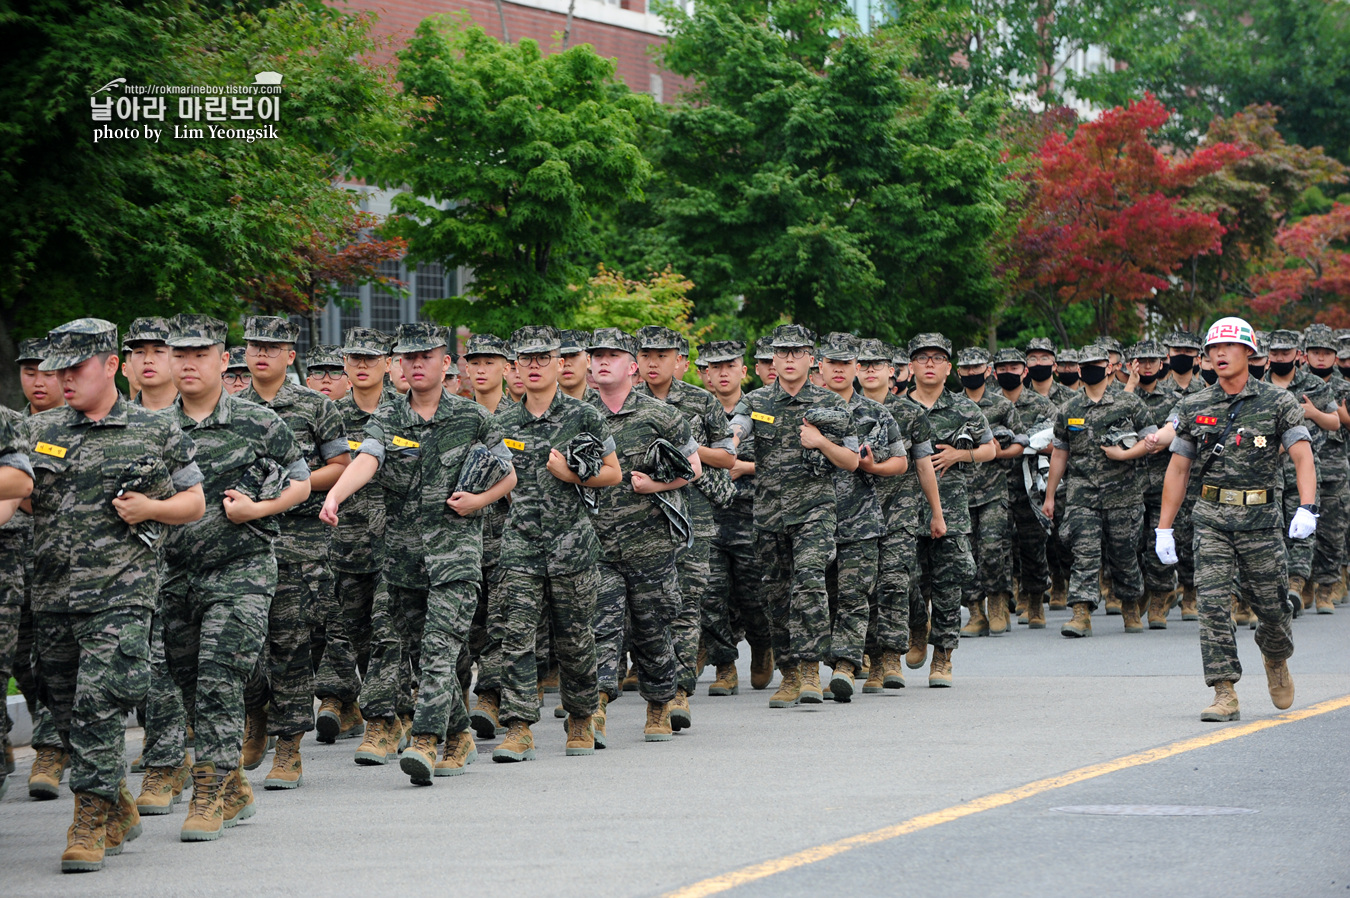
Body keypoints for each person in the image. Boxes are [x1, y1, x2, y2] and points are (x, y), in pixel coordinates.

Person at [9, 318, 205, 873]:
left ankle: (88, 821)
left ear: (110, 365)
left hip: (121, 595)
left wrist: (151, 510)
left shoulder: (155, 431)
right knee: (67, 711)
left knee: (98, 707)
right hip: (50, 594)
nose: (63, 380)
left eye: (76, 369)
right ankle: (114, 797)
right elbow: (23, 497)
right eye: (57, 371)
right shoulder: (39, 430)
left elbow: (193, 502)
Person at [321, 323, 516, 784]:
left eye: (424, 356)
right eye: (407, 359)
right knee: (417, 652)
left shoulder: (472, 417)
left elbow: (507, 474)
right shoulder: (387, 420)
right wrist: (336, 496)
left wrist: (478, 501)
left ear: (445, 362)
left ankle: (426, 741)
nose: (415, 365)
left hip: (455, 558)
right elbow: (367, 459)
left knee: (437, 651)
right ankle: (461, 734)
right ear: (398, 366)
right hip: (404, 562)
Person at [159, 314, 312, 841]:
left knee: (219, 674)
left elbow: (300, 482)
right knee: (189, 681)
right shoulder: (152, 426)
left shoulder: (258, 422)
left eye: (200, 354)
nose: (188, 364)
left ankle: (209, 790)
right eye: (179, 355)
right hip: (175, 575)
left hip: (242, 569)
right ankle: (234, 786)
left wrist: (260, 509)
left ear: (225, 361)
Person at [1156, 316, 1311, 721]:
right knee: (1210, 604)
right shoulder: (1194, 405)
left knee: (1274, 610)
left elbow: (1301, 456)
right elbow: (1177, 469)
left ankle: (1275, 656)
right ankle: (1224, 690)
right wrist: (1163, 528)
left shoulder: (1279, 402)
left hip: (1260, 518)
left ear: (1248, 352)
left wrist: (1307, 506)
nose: (1219, 354)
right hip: (1211, 518)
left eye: (1228, 347)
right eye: (1212, 349)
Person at [491, 326, 620, 756]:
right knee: (517, 637)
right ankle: (518, 725)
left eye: (541, 358)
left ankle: (581, 719)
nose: (532, 366)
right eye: (524, 359)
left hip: (572, 546)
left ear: (558, 362)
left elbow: (613, 473)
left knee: (575, 637)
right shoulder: (503, 420)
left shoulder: (584, 416)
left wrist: (572, 474)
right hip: (520, 545)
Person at [236, 317, 350, 788]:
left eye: (273, 346)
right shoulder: (229, 409)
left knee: (290, 644)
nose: (262, 353)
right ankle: (255, 712)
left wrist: (291, 486)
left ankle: (289, 746)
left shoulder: (315, 407)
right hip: (242, 543)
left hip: (299, 544)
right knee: (244, 646)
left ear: (290, 354)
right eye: (254, 345)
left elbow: (340, 465)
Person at [730, 324, 858, 706]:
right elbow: (737, 426)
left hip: (815, 511)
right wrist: (732, 438)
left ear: (811, 359)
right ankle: (788, 673)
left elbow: (851, 460)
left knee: (809, 580)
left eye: (796, 352)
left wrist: (820, 441)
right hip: (769, 514)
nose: (788, 359)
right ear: (772, 358)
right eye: (781, 352)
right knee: (776, 593)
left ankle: (809, 668)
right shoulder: (756, 401)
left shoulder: (831, 404)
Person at [586, 328, 701, 740]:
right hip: (597, 545)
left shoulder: (661, 415)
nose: (602, 361)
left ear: (632, 367)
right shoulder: (578, 414)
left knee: (652, 629)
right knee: (602, 626)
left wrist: (655, 486)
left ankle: (659, 703)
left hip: (650, 544)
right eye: (596, 355)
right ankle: (594, 708)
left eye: (612, 355)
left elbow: (694, 470)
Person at [635, 325, 736, 730]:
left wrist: (687, 450)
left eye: (663, 354)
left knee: (687, 603)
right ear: (637, 360)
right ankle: (650, 686)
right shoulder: (621, 402)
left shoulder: (700, 401)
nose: (654, 362)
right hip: (639, 519)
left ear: (678, 359)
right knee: (647, 608)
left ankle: (678, 690)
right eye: (647, 355)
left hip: (693, 515)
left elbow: (728, 458)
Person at [1043, 343, 1155, 637]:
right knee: (1084, 553)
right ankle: (1081, 613)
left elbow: (1152, 441)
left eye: (1097, 363)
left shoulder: (1129, 405)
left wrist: (1125, 455)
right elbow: (1059, 453)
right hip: (1082, 495)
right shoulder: (1068, 409)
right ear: (1079, 370)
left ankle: (1131, 605)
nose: (1091, 369)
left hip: (1123, 494)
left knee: (1124, 554)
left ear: (1110, 367)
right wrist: (1050, 495)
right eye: (1086, 364)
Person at [321, 329, 398, 754]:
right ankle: (386, 707)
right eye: (355, 358)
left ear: (388, 363)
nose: (363, 365)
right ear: (345, 364)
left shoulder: (404, 413)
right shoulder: (329, 416)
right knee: (357, 633)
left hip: (397, 541)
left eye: (372, 358)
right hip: (344, 542)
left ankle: (382, 721)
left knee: (389, 631)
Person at [817, 333, 905, 698]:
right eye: (831, 363)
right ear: (819, 367)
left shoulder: (877, 413)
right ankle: (833, 660)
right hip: (813, 520)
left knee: (855, 595)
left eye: (846, 363)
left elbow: (901, 462)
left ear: (856, 367)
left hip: (861, 519)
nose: (839, 370)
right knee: (824, 597)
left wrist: (873, 467)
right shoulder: (806, 411)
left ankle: (846, 666)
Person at [905, 334, 994, 685]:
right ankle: (916, 626)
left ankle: (942, 655)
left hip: (952, 509)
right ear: (910, 366)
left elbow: (990, 449)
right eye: (922, 358)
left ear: (948, 367)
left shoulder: (964, 408)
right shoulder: (898, 408)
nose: (930, 363)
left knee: (947, 585)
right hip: (906, 510)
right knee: (907, 578)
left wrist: (960, 454)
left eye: (937, 358)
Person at [857, 339, 943, 688]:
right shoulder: (841, 410)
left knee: (894, 582)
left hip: (900, 512)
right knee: (865, 586)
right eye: (864, 364)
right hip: (856, 515)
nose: (871, 369)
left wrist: (936, 513)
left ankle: (890, 659)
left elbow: (924, 467)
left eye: (878, 363)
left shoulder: (910, 414)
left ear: (892, 371)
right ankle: (873, 658)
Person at [12, 337, 69, 800]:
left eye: (46, 371)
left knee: (53, 657)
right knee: (21, 658)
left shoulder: (72, 429)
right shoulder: (13, 427)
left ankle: (51, 747)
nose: (37, 380)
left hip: (65, 562)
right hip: (14, 558)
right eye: (29, 372)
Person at [699, 340, 774, 693]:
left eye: (730, 366)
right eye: (716, 367)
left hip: (751, 515)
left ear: (743, 371)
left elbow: (783, 461)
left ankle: (762, 646)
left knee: (753, 594)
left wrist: (743, 467)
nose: (723, 373)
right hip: (709, 517)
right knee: (711, 594)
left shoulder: (762, 409)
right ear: (707, 375)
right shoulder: (696, 411)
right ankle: (724, 666)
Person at [1266, 328, 1338, 614]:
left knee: (1303, 524)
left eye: (1286, 352)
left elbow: (1334, 422)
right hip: (1268, 469)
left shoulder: (1314, 385)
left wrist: (1313, 414)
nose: (1280, 357)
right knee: (1275, 528)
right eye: (1275, 353)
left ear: (1297, 355)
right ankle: (1279, 587)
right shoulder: (1258, 384)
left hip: (1305, 466)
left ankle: (1296, 585)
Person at [956, 347, 1023, 638]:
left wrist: (998, 452)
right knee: (964, 553)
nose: (972, 373)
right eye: (966, 368)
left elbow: (1022, 443)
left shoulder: (1002, 405)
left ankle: (997, 604)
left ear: (987, 370)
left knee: (994, 549)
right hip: (958, 491)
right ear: (958, 372)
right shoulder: (951, 406)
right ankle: (975, 611)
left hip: (994, 489)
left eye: (977, 368)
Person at [991, 347, 1055, 626]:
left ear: (1024, 371)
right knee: (997, 547)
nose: (1008, 373)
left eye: (1013, 368)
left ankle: (1036, 600)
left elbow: (1054, 442)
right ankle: (1000, 604)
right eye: (1002, 369)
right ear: (994, 373)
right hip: (994, 486)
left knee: (1033, 545)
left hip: (1030, 487)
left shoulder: (1042, 405)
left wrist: (1023, 444)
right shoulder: (988, 405)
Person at [1121, 340, 1181, 628]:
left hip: (1161, 482)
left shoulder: (1173, 399)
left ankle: (1159, 600)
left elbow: (1180, 434)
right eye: (1140, 361)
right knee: (1129, 544)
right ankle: (1132, 598)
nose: (1146, 366)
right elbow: (1112, 423)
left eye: (1151, 361)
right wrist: (1130, 387)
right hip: (1125, 485)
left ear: (1161, 363)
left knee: (1159, 542)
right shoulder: (1118, 395)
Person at [1298, 324, 1348, 614]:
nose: (1320, 358)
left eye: (1326, 353)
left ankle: (1327, 587)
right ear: (1305, 355)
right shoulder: (1297, 386)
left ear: (1334, 356)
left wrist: (1341, 416)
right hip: (1301, 469)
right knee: (1302, 530)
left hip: (1334, 470)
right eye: (1315, 352)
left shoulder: (1344, 389)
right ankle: (1303, 582)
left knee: (1331, 531)